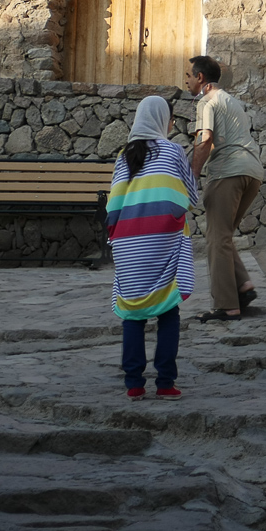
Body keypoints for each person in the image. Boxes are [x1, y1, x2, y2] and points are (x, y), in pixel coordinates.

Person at [106, 96, 196, 400]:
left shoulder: (124, 155)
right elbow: (190, 196)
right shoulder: (173, 150)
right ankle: (165, 383)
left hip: (127, 242)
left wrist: (115, 238)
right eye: (170, 119)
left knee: (133, 314)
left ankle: (134, 383)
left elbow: (114, 203)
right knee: (168, 308)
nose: (171, 125)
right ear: (162, 121)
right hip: (162, 239)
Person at [184, 55, 263, 323]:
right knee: (223, 235)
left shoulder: (207, 101)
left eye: (189, 75)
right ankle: (243, 286)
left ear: (201, 78)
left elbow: (205, 140)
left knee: (216, 239)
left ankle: (226, 306)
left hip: (228, 172)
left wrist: (193, 175)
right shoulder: (232, 100)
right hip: (252, 173)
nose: (187, 80)